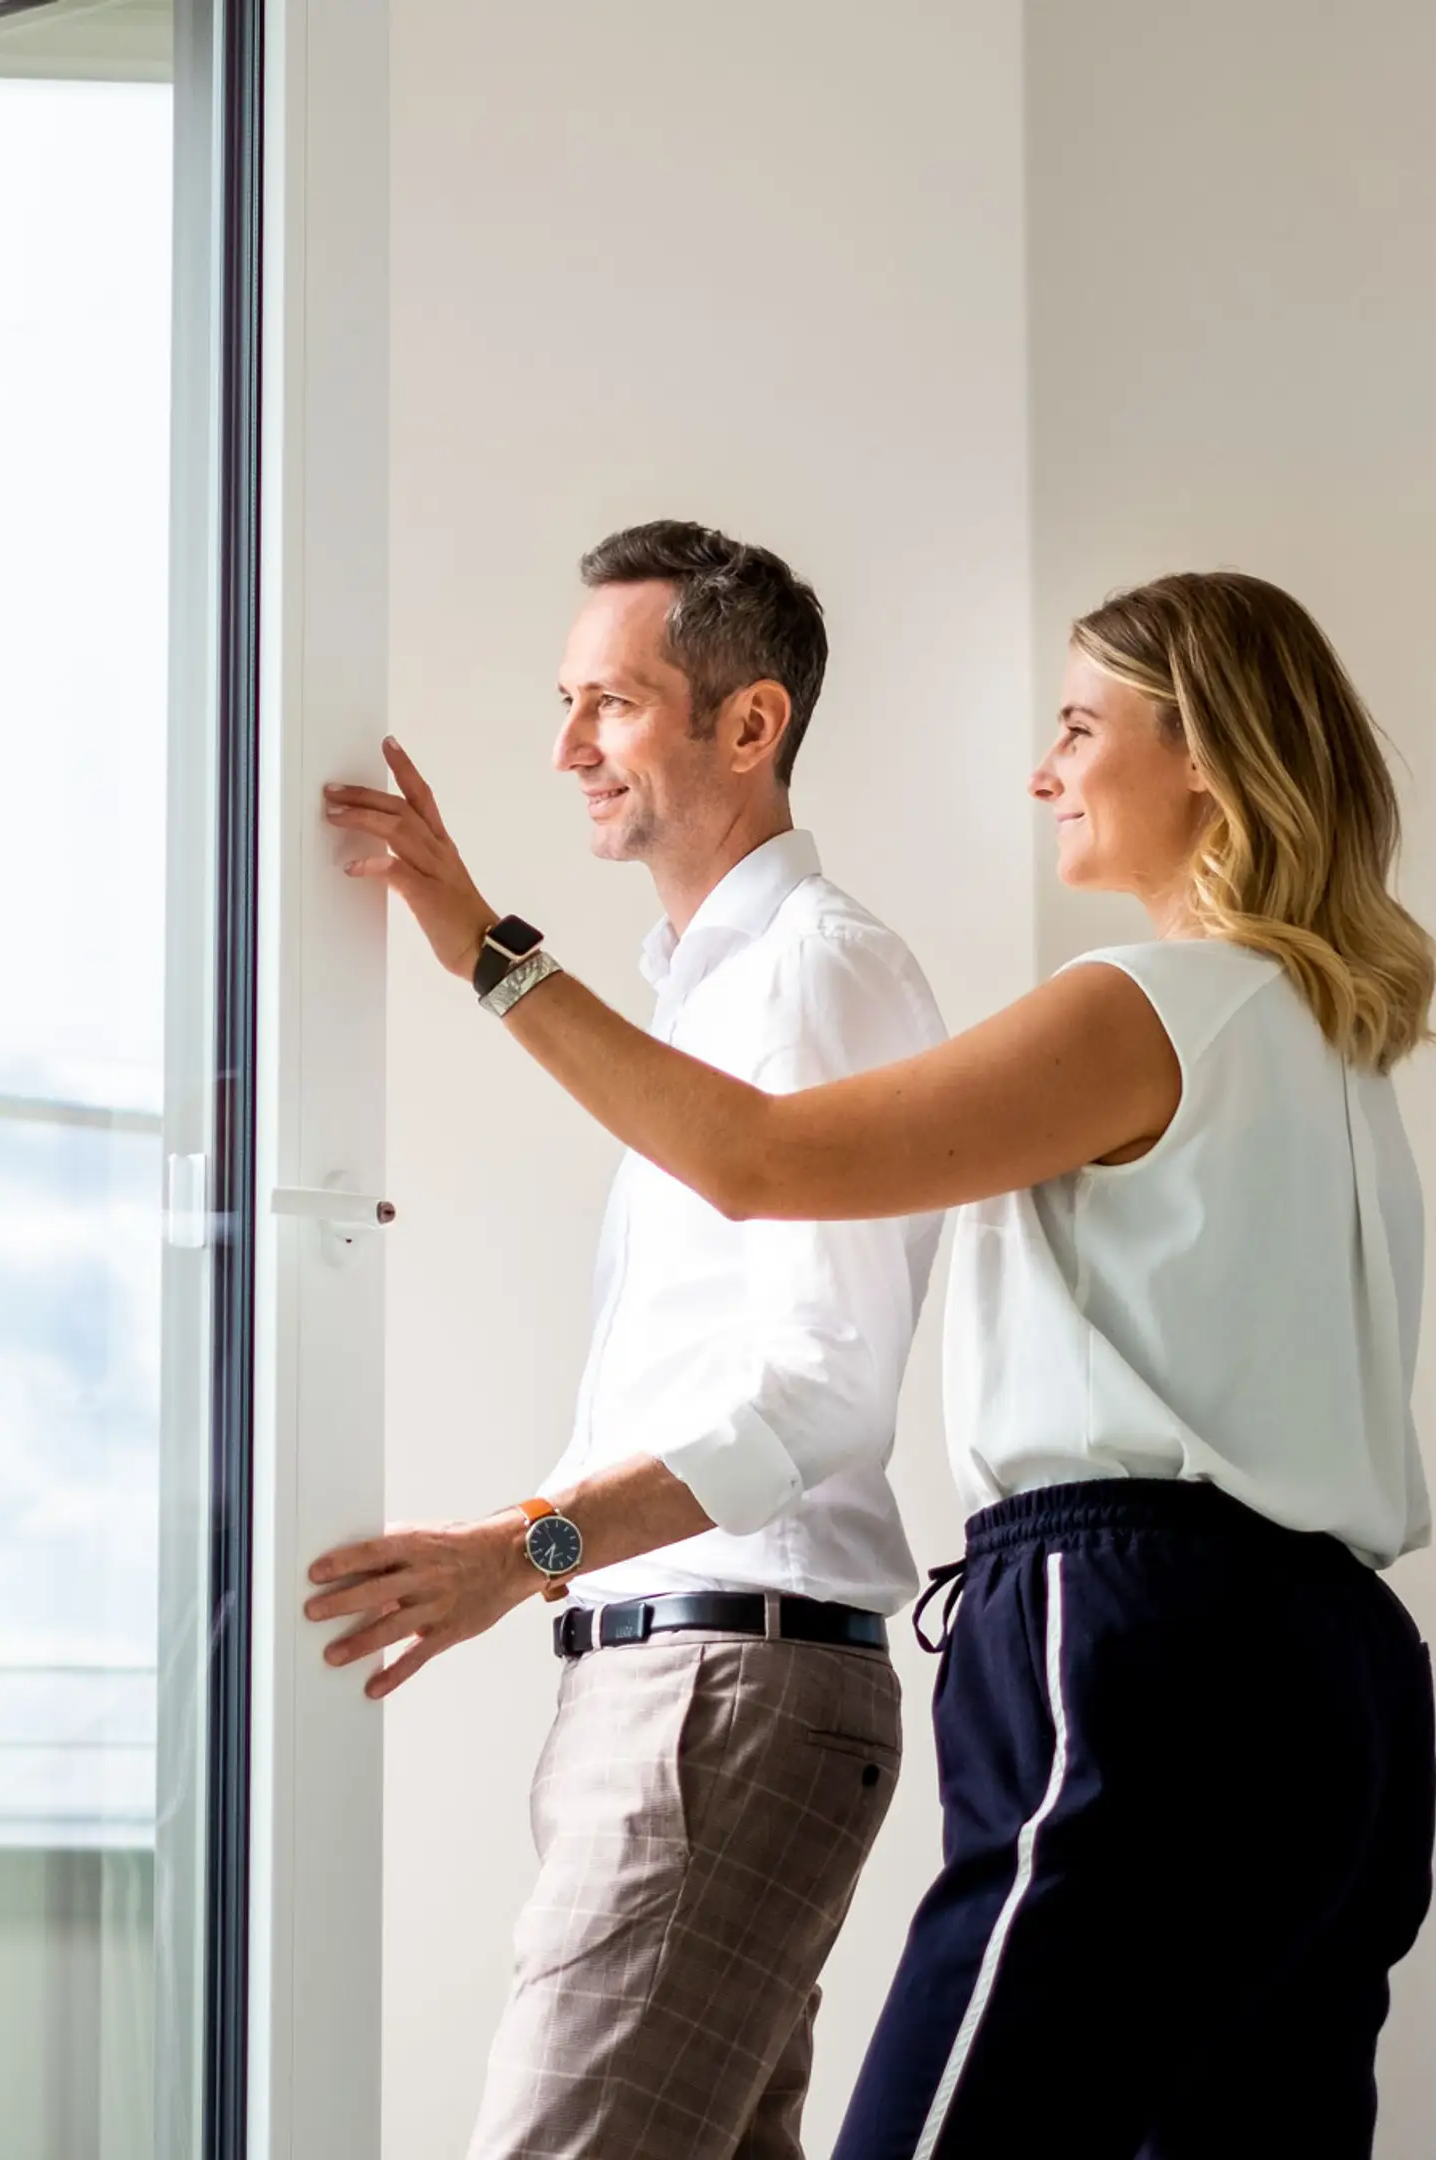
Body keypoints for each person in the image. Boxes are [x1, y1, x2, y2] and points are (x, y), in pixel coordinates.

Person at [326, 569, 1436, 2159]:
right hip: (1343, 1672)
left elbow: (759, 1157)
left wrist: (485, 951)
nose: (1047, 772)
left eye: (1077, 726)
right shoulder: (1340, 1056)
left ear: (1206, 755)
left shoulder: (1145, 1011)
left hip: (1134, 1633)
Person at [299, 520, 950, 2160]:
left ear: (751, 724)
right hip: (684, 1687)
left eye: (614, 703)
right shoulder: (707, 991)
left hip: (724, 1689)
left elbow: (821, 1401)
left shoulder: (817, 974)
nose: (566, 746)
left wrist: (530, 1547)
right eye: (566, 701)